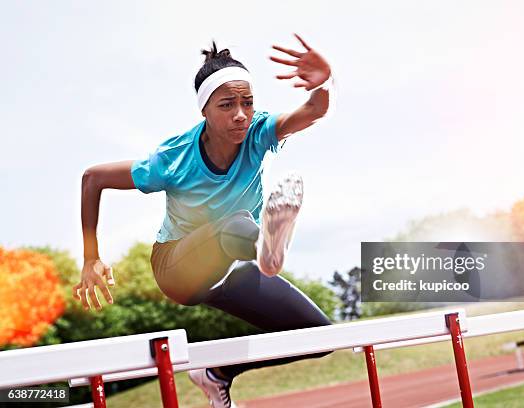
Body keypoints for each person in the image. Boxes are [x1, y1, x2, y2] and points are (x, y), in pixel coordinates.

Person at [73, 34, 335, 408]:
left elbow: (312, 111)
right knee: (237, 224)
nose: (241, 114)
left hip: (234, 266)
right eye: (227, 105)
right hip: (178, 267)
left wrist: (324, 82)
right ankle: (266, 248)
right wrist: (90, 257)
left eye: (247, 103)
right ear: (204, 112)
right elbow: (92, 178)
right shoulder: (174, 159)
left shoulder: (259, 133)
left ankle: (218, 374)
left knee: (319, 335)